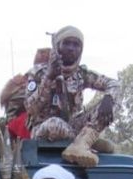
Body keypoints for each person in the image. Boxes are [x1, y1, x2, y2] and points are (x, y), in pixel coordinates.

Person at [25, 26, 120, 168]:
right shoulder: (38, 73)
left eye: (76, 45)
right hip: (44, 128)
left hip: (73, 126)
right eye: (66, 43)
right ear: (58, 46)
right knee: (54, 123)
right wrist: (49, 77)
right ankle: (87, 139)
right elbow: (31, 109)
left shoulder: (81, 74)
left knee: (113, 99)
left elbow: (114, 84)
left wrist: (108, 98)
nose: (71, 48)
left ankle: (82, 143)